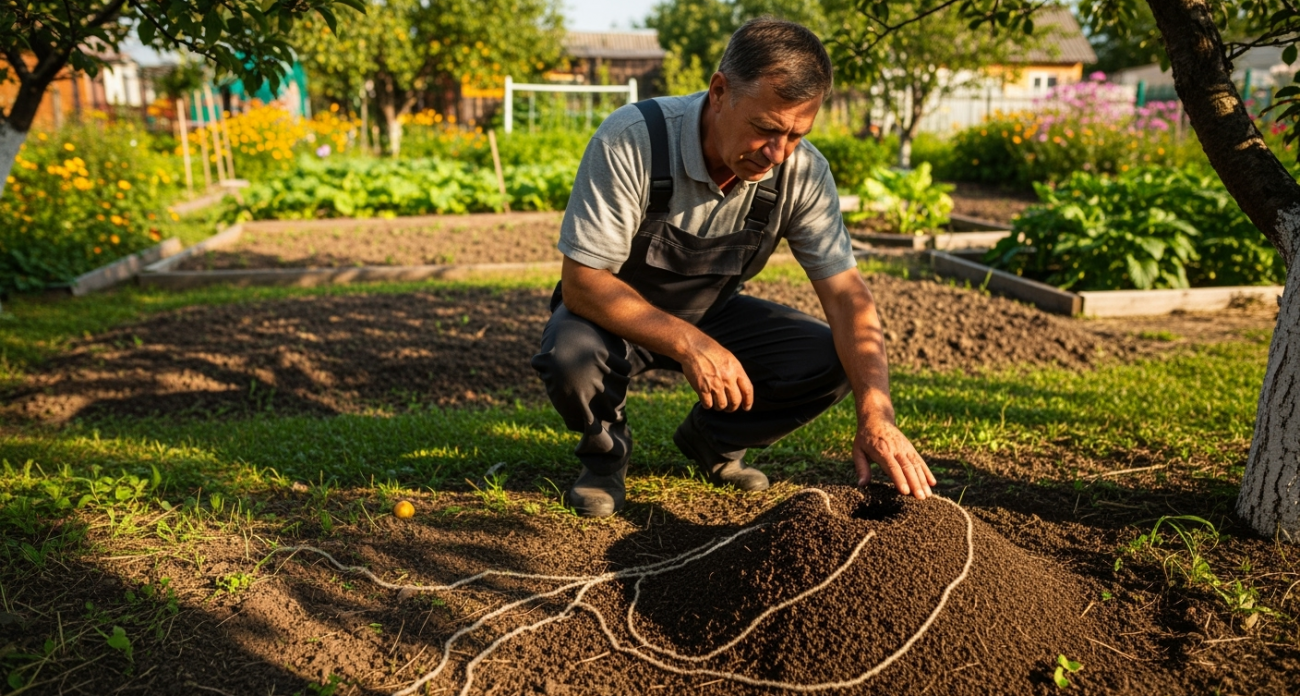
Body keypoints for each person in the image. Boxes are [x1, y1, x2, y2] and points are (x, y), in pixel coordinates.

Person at [530, 18, 935, 517]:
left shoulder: (800, 171)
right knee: (570, 354)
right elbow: (583, 284)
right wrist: (690, 344)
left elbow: (847, 296)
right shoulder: (633, 139)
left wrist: (876, 412)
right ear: (719, 92)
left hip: (713, 311)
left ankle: (712, 440)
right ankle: (604, 459)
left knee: (829, 358)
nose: (777, 153)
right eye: (766, 128)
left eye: (795, 135)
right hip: (611, 315)